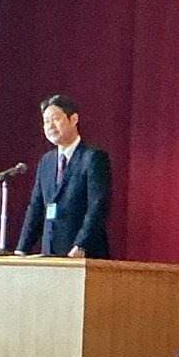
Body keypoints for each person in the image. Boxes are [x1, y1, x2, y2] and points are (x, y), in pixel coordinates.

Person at [15, 94, 110, 258]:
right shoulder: (46, 161)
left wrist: (81, 245)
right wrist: (21, 250)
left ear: (73, 119)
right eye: (46, 121)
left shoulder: (93, 158)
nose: (50, 126)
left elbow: (97, 206)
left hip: (82, 254)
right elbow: (36, 208)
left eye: (55, 119)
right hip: (50, 255)